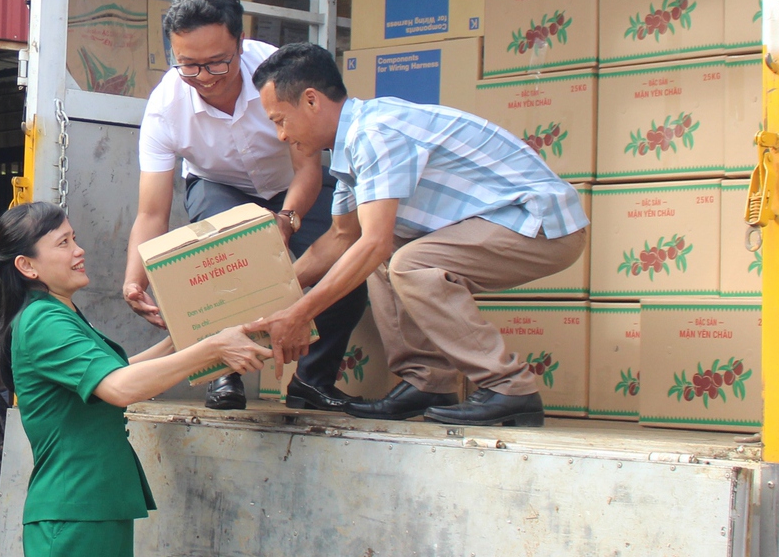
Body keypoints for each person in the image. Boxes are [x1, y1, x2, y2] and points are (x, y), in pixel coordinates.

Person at [247, 43, 590, 427]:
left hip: (540, 223)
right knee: (385, 254)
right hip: (507, 222)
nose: (280, 135)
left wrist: (299, 314)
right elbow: (341, 239)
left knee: (405, 260)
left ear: (311, 101)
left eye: (280, 120)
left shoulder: (374, 134)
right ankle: (427, 380)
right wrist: (265, 301)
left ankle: (509, 388)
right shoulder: (350, 149)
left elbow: (372, 243)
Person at [0, 202, 270, 557]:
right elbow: (120, 388)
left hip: (93, 507)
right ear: (27, 266)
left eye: (75, 238)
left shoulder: (58, 313)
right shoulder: (43, 321)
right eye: (63, 243)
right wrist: (213, 348)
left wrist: (188, 336)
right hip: (75, 511)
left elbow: (118, 374)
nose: (79, 250)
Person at [123, 0, 367, 412]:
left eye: (218, 61)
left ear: (240, 42)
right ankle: (222, 372)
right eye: (190, 66)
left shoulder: (277, 76)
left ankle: (312, 381)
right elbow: (151, 210)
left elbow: (308, 169)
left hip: (290, 186)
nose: (206, 77)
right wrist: (134, 278)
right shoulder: (165, 107)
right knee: (225, 259)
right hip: (219, 185)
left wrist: (287, 219)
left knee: (348, 268)